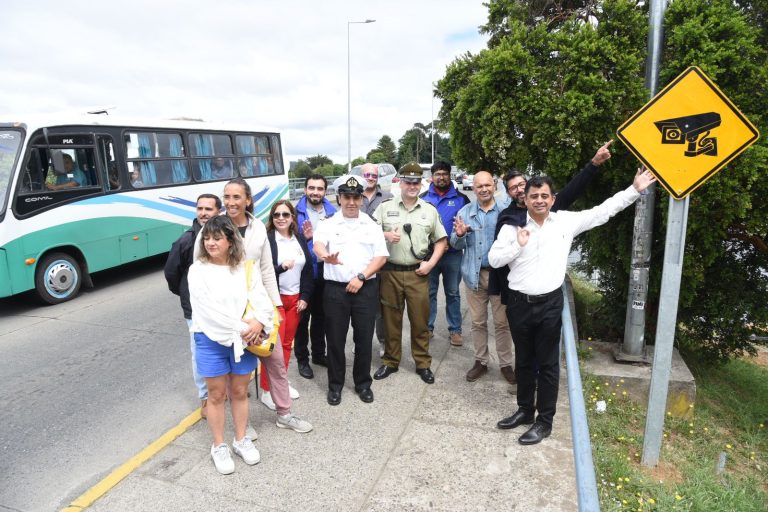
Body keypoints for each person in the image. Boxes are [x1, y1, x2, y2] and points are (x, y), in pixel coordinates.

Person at [489, 168, 657, 445]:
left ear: (553, 199)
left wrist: (634, 189)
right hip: (519, 303)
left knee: (548, 365)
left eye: (545, 195)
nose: (540, 200)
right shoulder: (512, 227)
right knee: (525, 361)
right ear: (526, 200)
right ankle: (524, 411)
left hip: (549, 305)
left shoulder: (566, 222)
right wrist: (516, 247)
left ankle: (544, 422)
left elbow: (603, 211)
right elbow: (494, 260)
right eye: (534, 196)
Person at [211, 177, 312, 432]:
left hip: (262, 310)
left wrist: (275, 307)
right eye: (227, 197)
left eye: (236, 197)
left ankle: (285, 414)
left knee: (276, 362)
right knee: (239, 374)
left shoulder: (258, 229)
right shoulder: (214, 228)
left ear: (248, 200)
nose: (231, 202)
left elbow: (267, 270)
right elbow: (205, 270)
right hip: (232, 314)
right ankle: (243, 424)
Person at [187, 215, 271, 474]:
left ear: (230, 240)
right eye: (207, 238)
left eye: (217, 238)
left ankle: (241, 439)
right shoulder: (198, 270)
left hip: (244, 340)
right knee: (216, 395)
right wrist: (247, 328)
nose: (211, 243)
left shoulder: (245, 267)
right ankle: (219, 445)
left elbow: (260, 298)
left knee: (239, 391)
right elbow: (207, 310)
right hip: (211, 339)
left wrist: (260, 322)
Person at [489, 141, 614, 303]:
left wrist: (594, 163)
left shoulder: (547, 207)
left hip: (549, 295)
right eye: (514, 188)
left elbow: (573, 190)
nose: (519, 189)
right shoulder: (507, 218)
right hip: (517, 293)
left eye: (521, 184)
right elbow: (498, 256)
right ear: (508, 193)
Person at [313, 175, 388, 405]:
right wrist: (325, 256)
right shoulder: (327, 223)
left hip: (365, 288)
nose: (352, 202)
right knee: (335, 340)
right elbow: (318, 245)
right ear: (339, 198)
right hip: (335, 290)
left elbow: (381, 256)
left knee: (364, 339)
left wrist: (362, 277)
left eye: (356, 197)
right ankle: (335, 386)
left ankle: (363, 384)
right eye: (347, 197)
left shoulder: (371, 225)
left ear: (362, 199)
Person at [373, 163, 448, 384]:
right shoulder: (385, 208)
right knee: (391, 321)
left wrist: (431, 264)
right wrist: (386, 234)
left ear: (421, 183)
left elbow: (441, 240)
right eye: (408, 181)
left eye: (416, 182)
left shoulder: (429, 210)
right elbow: (367, 233)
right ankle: (390, 362)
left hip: (418, 274)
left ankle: (423, 363)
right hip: (390, 273)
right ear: (400, 183)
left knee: (420, 321)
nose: (412, 186)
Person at [450, 172, 516, 384]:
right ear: (474, 188)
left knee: (502, 323)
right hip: (474, 276)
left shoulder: (506, 210)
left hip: (500, 277)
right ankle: (481, 361)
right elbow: (454, 244)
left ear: (494, 185)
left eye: (488, 185)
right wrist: (460, 235)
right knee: (478, 323)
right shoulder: (465, 212)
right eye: (479, 186)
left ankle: (506, 364)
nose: (484, 189)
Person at [164, 193, 221, 418]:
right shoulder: (186, 240)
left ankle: (223, 389)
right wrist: (187, 296)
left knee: (223, 348)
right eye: (200, 209)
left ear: (219, 211)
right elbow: (171, 273)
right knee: (199, 353)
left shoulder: (225, 237)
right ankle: (205, 397)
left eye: (209, 209)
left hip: (222, 307)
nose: (203, 213)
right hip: (196, 310)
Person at [262, 200, 313, 409]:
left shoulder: (299, 239)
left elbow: (308, 270)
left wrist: (305, 297)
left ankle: (280, 383)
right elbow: (261, 273)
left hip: (295, 300)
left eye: (285, 214)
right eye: (277, 215)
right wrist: (281, 267)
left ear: (293, 217)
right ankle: (266, 390)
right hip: (275, 300)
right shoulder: (267, 241)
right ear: (272, 219)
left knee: (286, 344)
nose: (281, 218)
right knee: (271, 347)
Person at [420, 161, 470, 346]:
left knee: (453, 292)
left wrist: (451, 242)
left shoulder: (461, 199)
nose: (441, 177)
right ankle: (428, 328)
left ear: (450, 175)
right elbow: (419, 228)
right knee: (429, 293)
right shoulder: (423, 198)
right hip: (430, 255)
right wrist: (434, 245)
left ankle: (455, 330)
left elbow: (465, 226)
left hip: (453, 255)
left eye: (445, 174)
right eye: (438, 174)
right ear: (431, 177)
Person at [293, 174, 336, 379]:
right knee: (302, 319)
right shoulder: (295, 213)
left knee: (321, 317)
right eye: (311, 188)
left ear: (325, 191)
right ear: (305, 190)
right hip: (303, 275)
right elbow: (287, 241)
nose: (315, 192)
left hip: (325, 274)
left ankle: (319, 354)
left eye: (319, 189)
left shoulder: (333, 212)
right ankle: (303, 360)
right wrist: (305, 238)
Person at [360, 162, 393, 355]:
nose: (370, 178)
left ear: (378, 177)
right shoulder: (354, 195)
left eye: (374, 175)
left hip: (382, 261)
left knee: (381, 307)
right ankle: (360, 341)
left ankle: (383, 341)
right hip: (360, 261)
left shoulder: (388, 197)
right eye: (367, 175)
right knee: (360, 307)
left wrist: (385, 235)